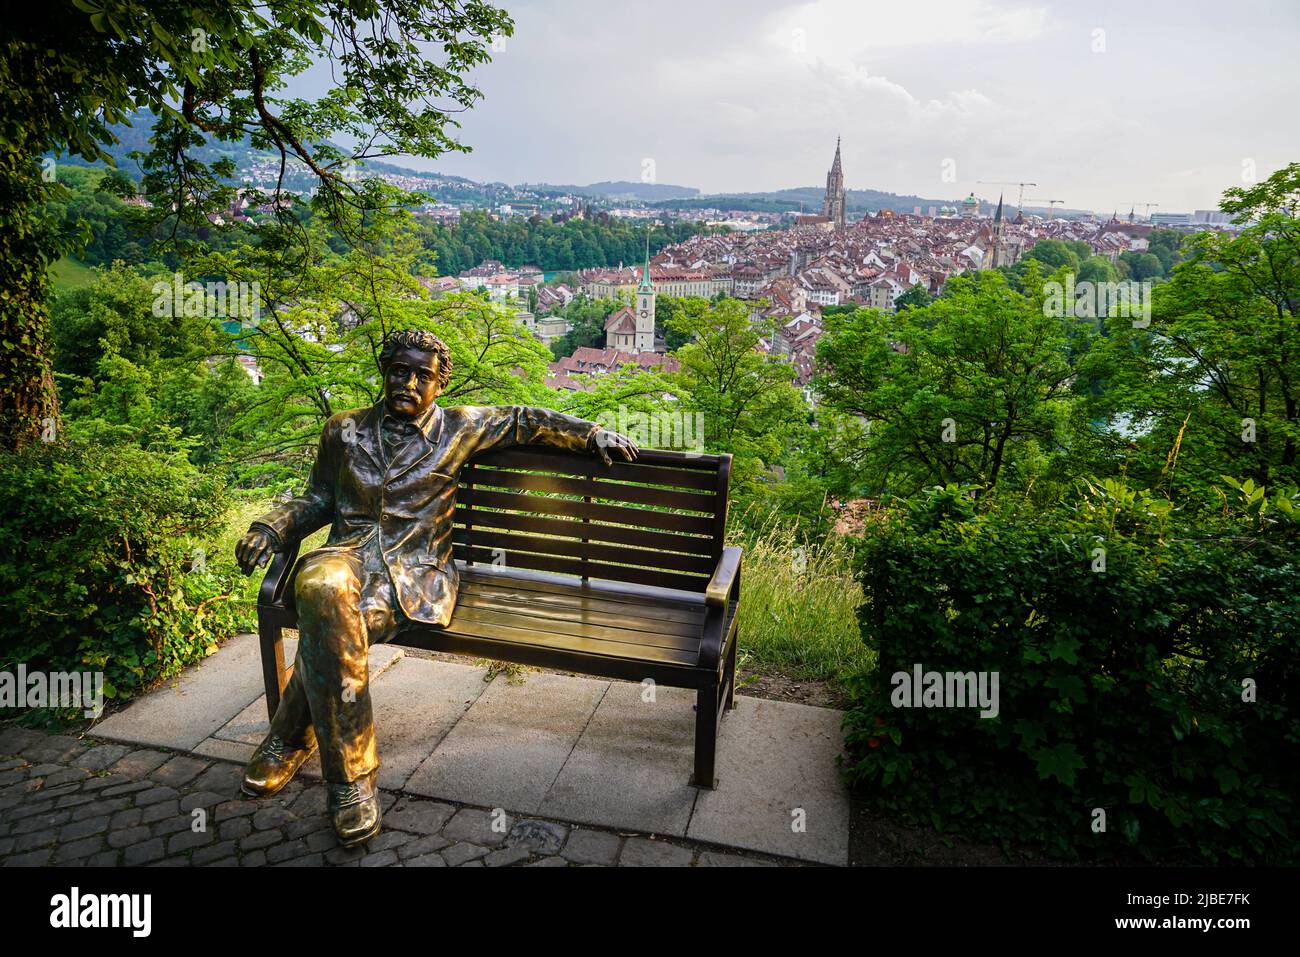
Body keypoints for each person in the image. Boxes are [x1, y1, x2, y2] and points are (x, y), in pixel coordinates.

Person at [234, 328, 638, 846]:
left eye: (421, 375)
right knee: (322, 585)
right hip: (347, 558)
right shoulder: (344, 429)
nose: (407, 382)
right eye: (398, 370)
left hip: (413, 575)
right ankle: (351, 780)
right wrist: (272, 525)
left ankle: (290, 739)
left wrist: (589, 433)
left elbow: (521, 418)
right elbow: (317, 499)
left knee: (329, 625)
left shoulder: (458, 428)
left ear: (439, 384)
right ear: (385, 372)